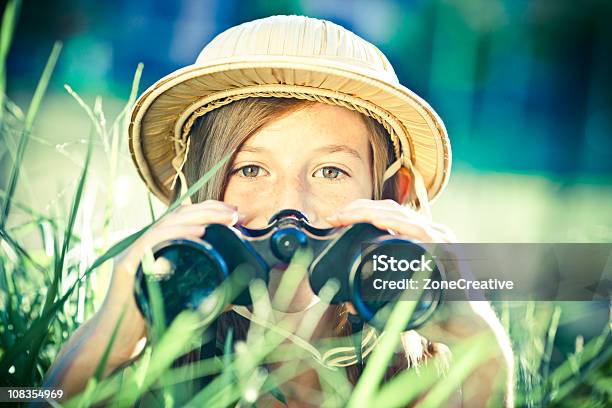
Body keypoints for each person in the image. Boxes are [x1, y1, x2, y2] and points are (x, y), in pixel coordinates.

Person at [44, 15, 514, 406]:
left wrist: (481, 347)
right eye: (249, 169)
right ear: (195, 193)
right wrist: (110, 339)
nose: (289, 206)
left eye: (330, 172)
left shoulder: (427, 384)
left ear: (391, 195)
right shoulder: (144, 373)